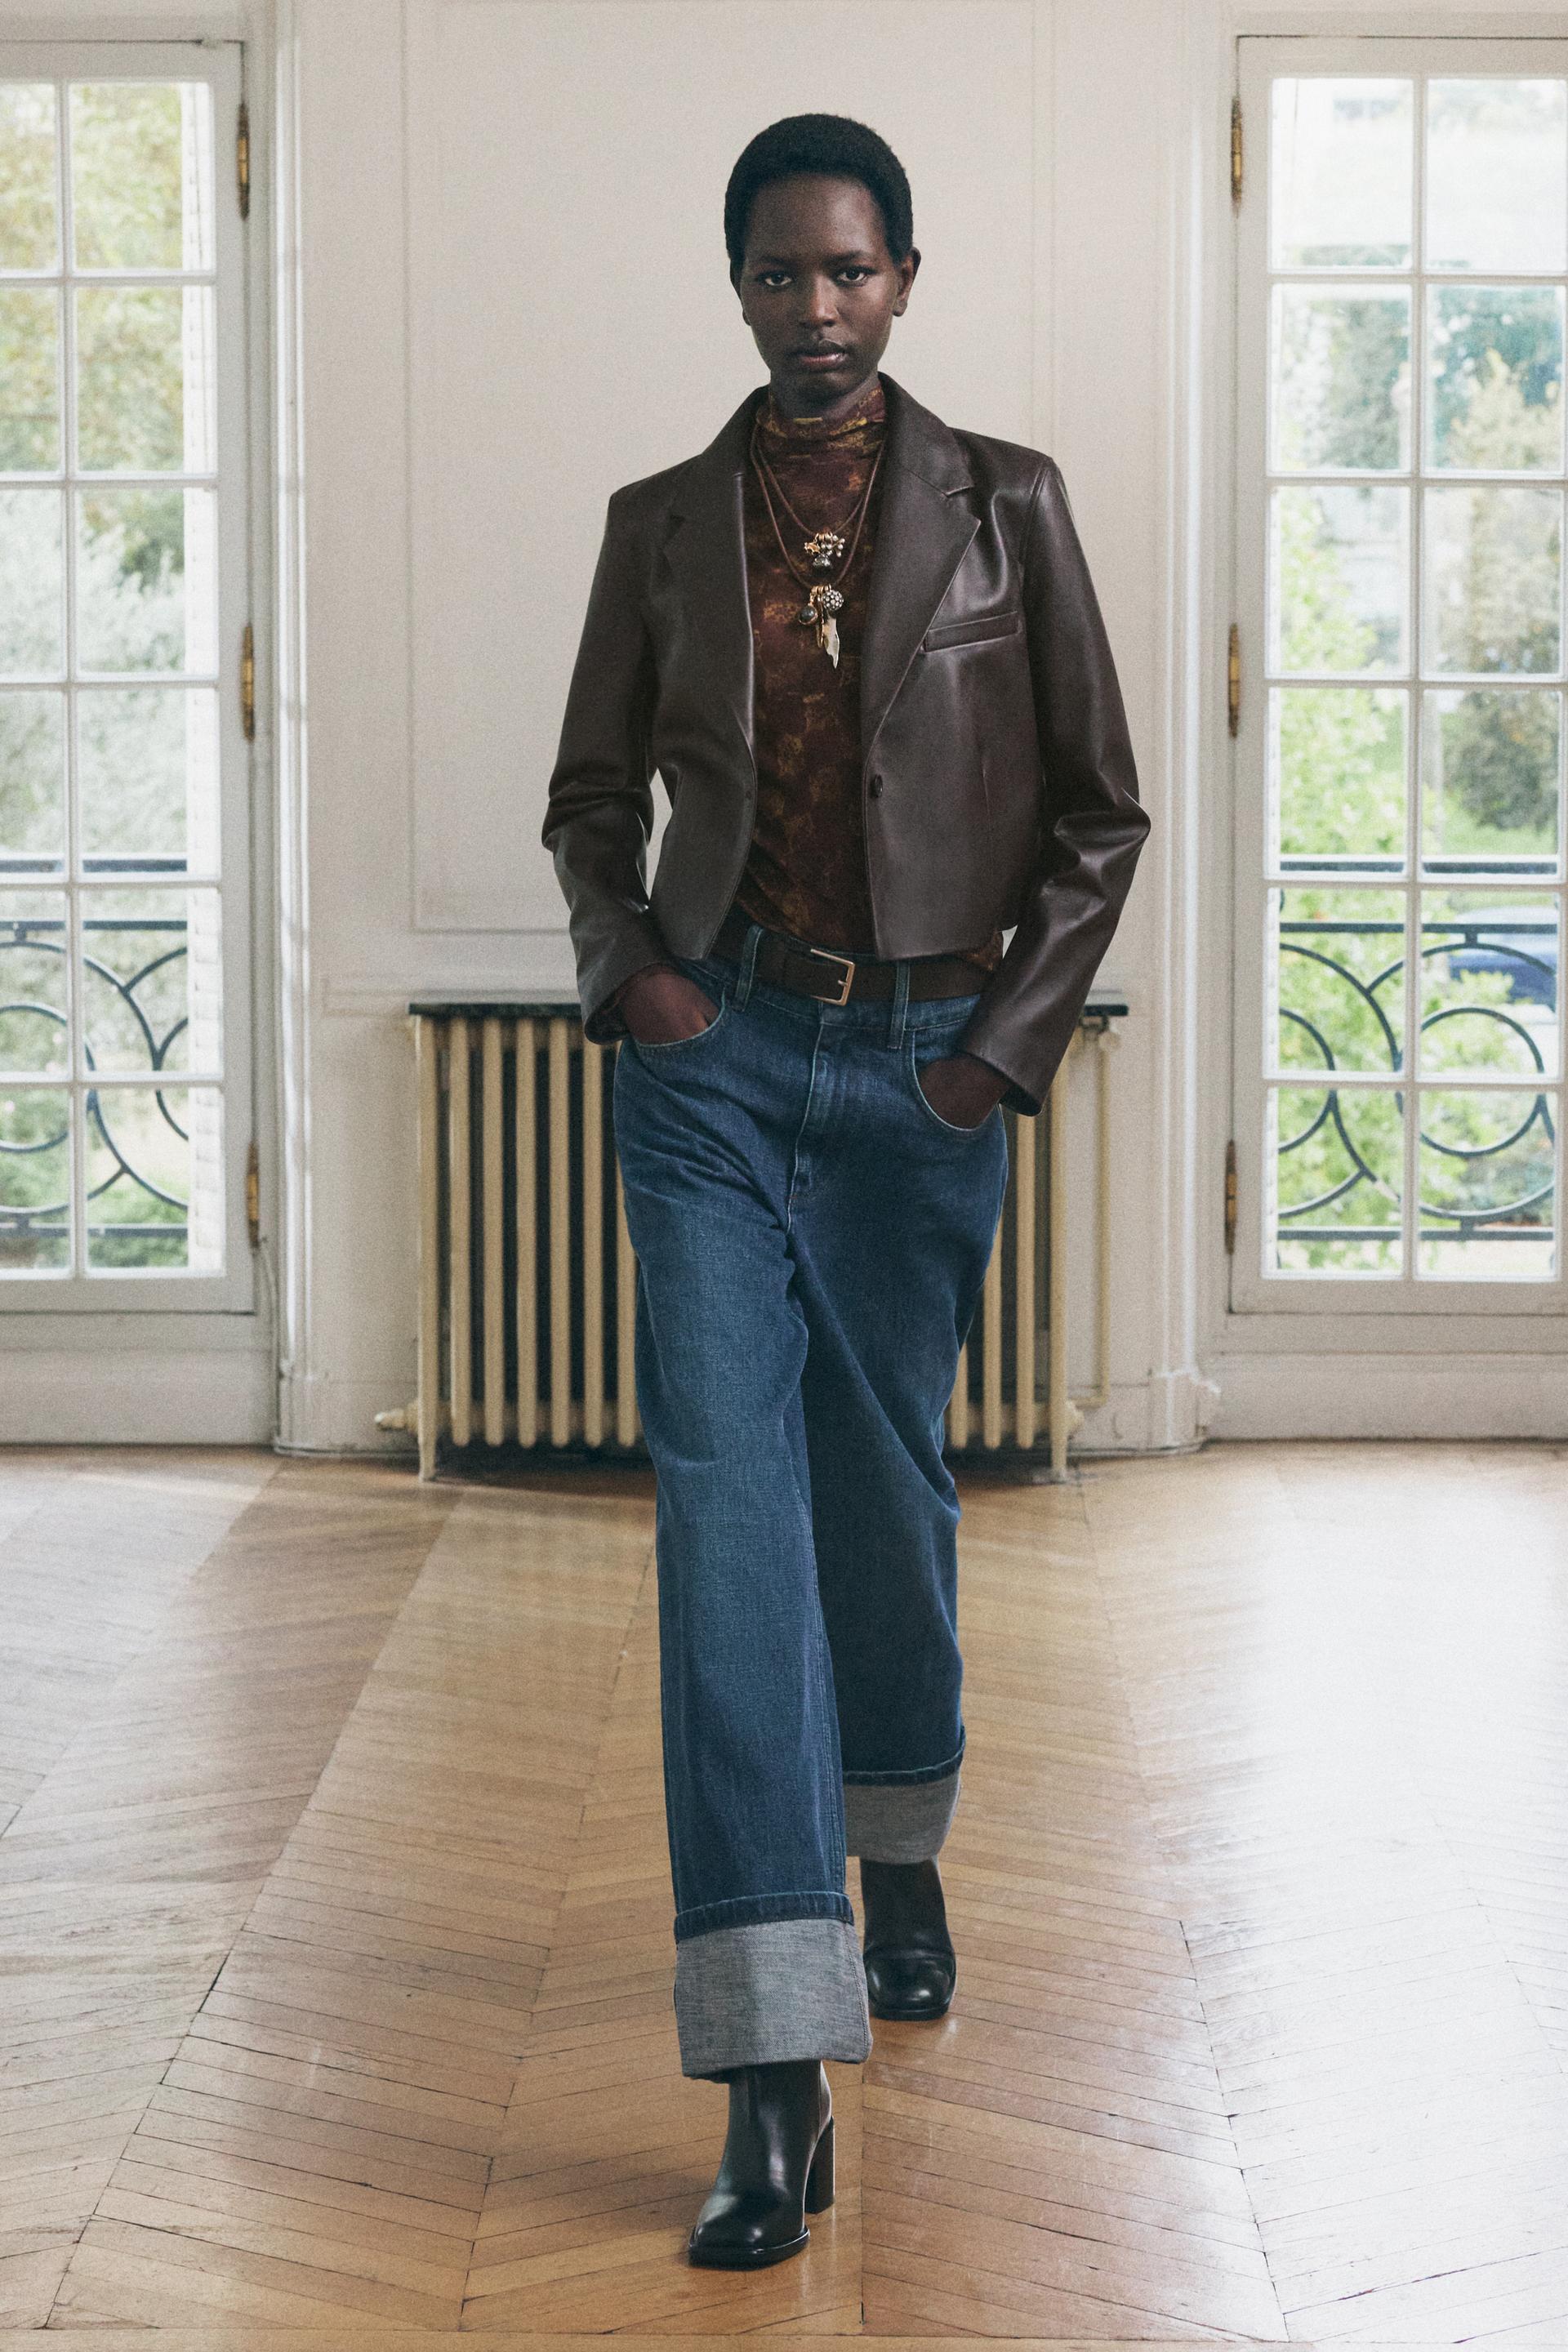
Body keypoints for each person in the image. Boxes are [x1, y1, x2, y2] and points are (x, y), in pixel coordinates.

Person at [542, 111, 1148, 2270]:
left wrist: (996, 1056)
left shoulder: (1011, 505)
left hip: (922, 1073)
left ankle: (900, 1850)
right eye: (782, 274)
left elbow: (1099, 814)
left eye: (853, 270)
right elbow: (589, 800)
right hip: (714, 1062)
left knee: (885, 1495)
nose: (819, 308)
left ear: (905, 276)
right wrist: (633, 976)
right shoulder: (656, 526)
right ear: (736, 286)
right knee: (728, 1519)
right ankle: (771, 2069)